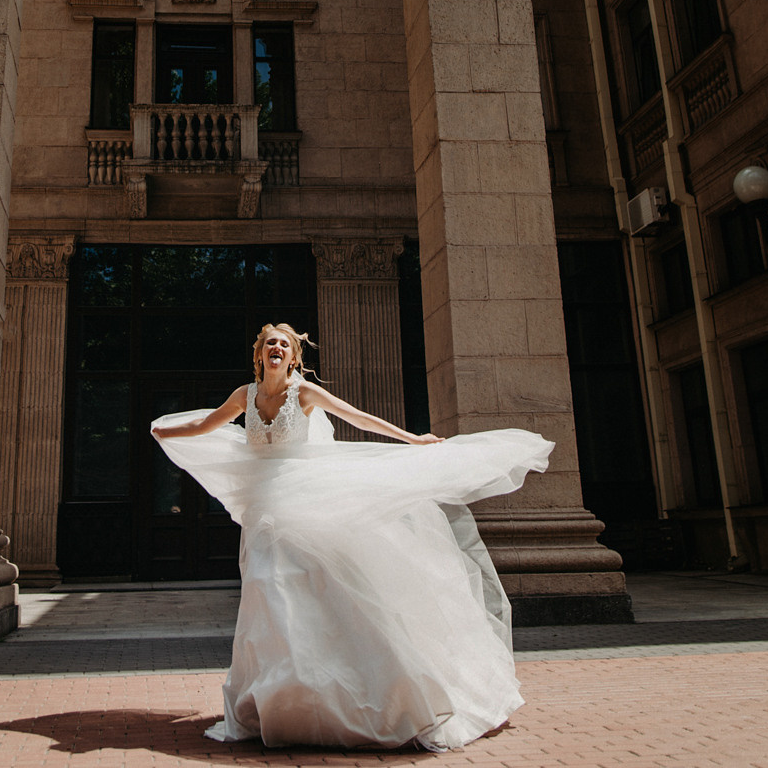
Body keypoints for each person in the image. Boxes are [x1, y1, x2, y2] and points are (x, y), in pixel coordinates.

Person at [151, 322, 552, 751]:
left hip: (304, 503)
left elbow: (357, 418)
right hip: (264, 512)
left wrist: (412, 438)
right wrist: (163, 432)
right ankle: (281, 695)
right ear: (259, 354)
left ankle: (354, 694)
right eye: (271, 343)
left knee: (302, 588)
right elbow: (207, 426)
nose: (277, 348)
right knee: (267, 594)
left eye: (285, 344)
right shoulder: (243, 397)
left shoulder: (303, 392)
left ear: (293, 356)